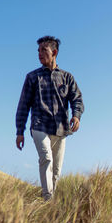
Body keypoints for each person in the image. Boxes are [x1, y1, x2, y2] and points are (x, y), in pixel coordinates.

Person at [15, 35, 84, 201]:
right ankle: (47, 199)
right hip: (39, 126)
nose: (39, 54)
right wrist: (20, 131)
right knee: (46, 159)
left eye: (43, 50)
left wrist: (76, 115)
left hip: (61, 128)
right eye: (38, 51)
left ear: (54, 52)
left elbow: (77, 99)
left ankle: (50, 201)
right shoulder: (32, 77)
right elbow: (23, 105)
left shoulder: (67, 77)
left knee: (56, 170)